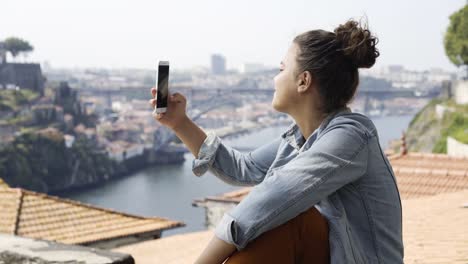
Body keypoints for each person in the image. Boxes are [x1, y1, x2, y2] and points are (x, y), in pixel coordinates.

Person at [149, 19, 404, 264]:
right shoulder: (300, 139)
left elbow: (273, 197)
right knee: (283, 221)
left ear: (303, 81)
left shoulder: (350, 136)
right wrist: (179, 123)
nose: (274, 78)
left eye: (281, 69)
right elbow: (243, 168)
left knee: (287, 219)